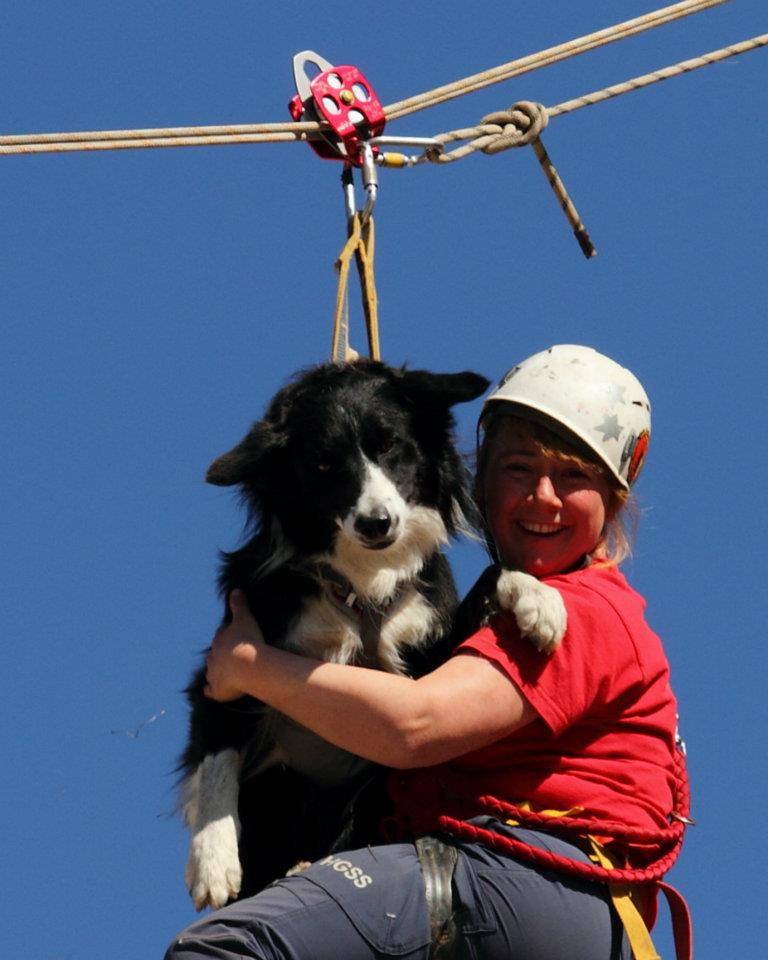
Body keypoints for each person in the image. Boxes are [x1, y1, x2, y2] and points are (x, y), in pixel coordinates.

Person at [165, 344, 686, 960]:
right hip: (510, 902)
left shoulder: (585, 612)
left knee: (227, 949)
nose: (542, 496)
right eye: (519, 469)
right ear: (480, 475)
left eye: (572, 476)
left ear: (615, 497)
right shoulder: (489, 605)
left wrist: (251, 666)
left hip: (521, 885)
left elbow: (414, 725)